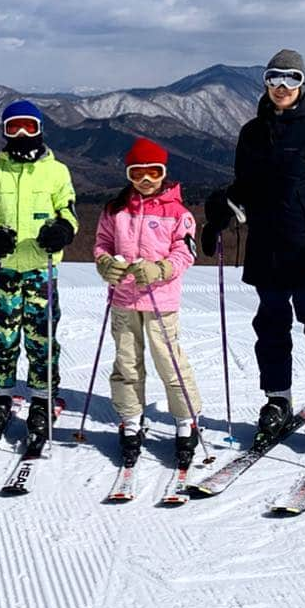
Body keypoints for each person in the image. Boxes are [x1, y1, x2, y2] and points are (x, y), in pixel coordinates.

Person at [201, 48, 305, 456]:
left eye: (290, 79)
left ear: (302, 83)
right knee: (271, 330)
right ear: (265, 82)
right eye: (274, 78)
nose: (282, 87)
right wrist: (220, 214)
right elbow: (245, 188)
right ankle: (278, 399)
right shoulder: (251, 134)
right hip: (266, 250)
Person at [0, 100, 78, 446]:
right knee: (3, 338)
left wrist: (63, 229)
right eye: (14, 127)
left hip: (41, 269)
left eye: (29, 126)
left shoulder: (56, 171)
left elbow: (68, 209)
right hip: (5, 270)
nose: (23, 133)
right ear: (4, 131)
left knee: (41, 339)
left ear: (41, 129)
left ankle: (41, 401)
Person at [94, 137, 201, 469]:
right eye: (138, 172)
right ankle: (131, 421)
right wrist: (105, 264)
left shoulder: (177, 213)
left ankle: (185, 423)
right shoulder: (116, 210)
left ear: (163, 173)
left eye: (153, 172)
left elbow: (186, 253)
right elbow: (101, 244)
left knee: (169, 362)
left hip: (161, 301)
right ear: (128, 173)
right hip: (124, 300)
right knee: (126, 363)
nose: (145, 179)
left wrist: (161, 268)